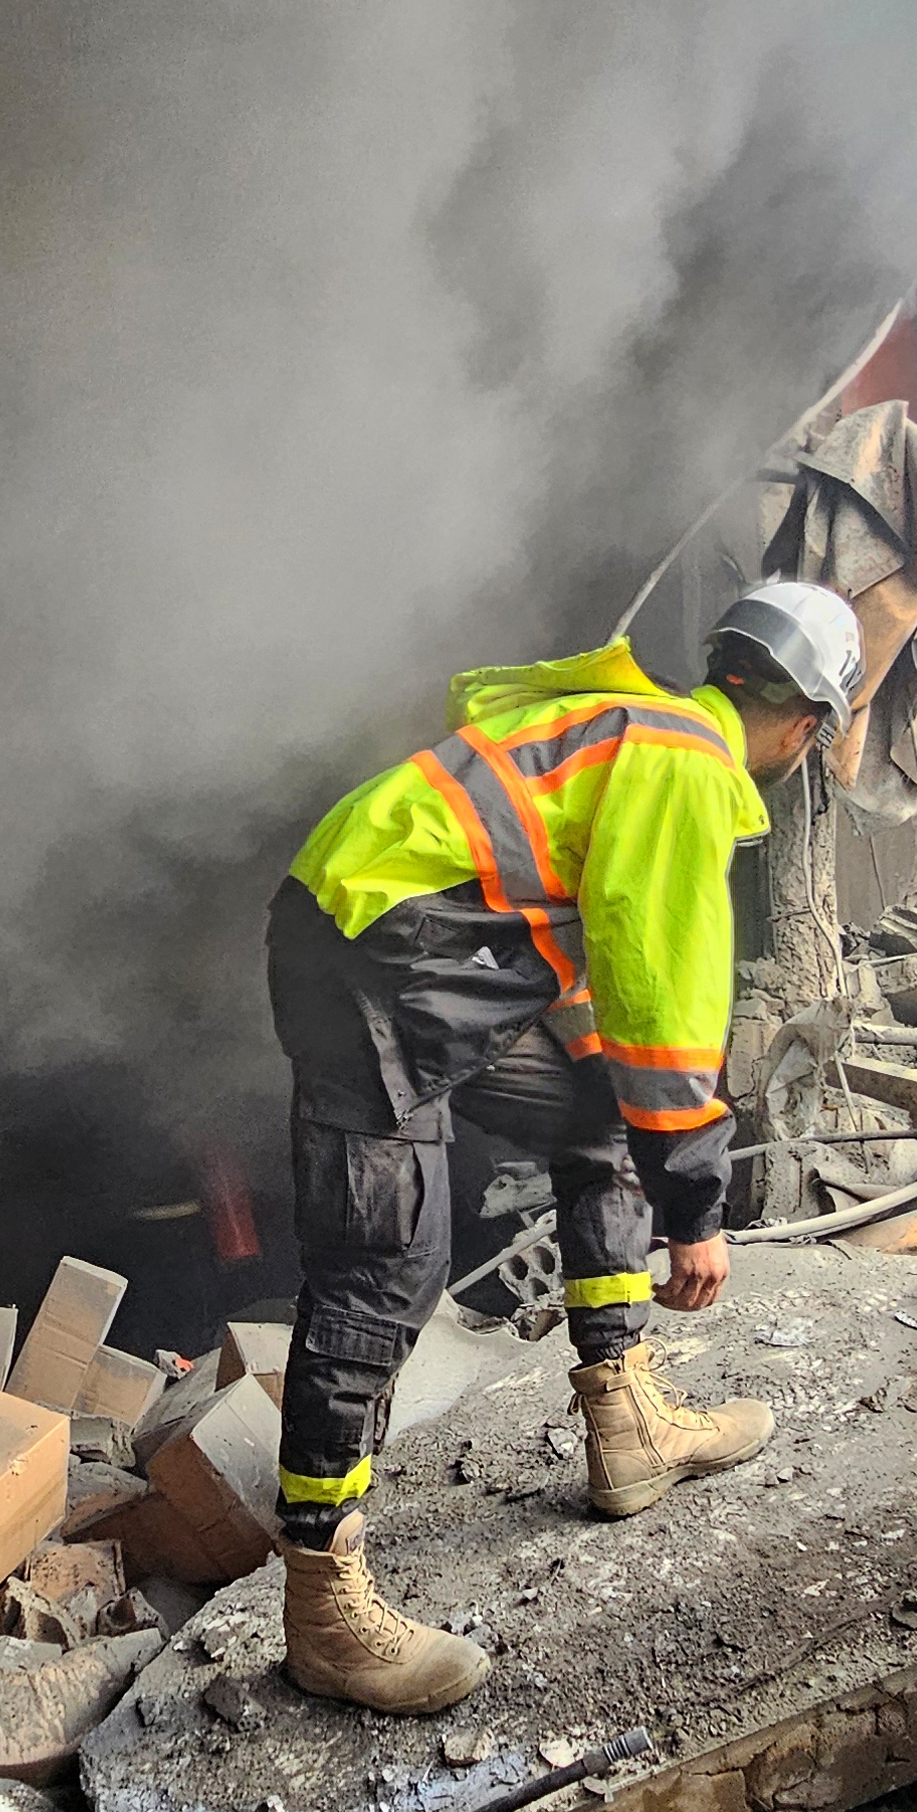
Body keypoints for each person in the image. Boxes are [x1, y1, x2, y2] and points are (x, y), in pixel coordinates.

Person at [263, 581, 868, 1712]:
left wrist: (631, 1119)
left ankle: (625, 1424)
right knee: (383, 1268)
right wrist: (697, 1210)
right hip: (371, 955)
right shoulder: (688, 766)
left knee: (598, 1120)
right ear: (807, 722)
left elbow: (581, 953)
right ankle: (321, 1606)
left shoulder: (640, 735)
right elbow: (665, 1001)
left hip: (421, 948)